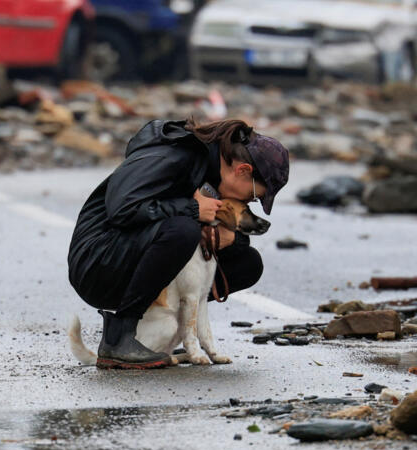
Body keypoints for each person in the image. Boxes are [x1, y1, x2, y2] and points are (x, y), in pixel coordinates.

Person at [68, 117, 290, 369]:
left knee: (247, 262)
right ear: (242, 170)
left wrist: (228, 237)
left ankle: (167, 329)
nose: (248, 202)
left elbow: (220, 223)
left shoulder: (211, 175)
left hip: (137, 250)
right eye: (252, 195)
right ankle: (119, 338)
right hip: (99, 259)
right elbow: (121, 209)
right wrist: (193, 209)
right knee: (184, 231)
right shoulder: (174, 155)